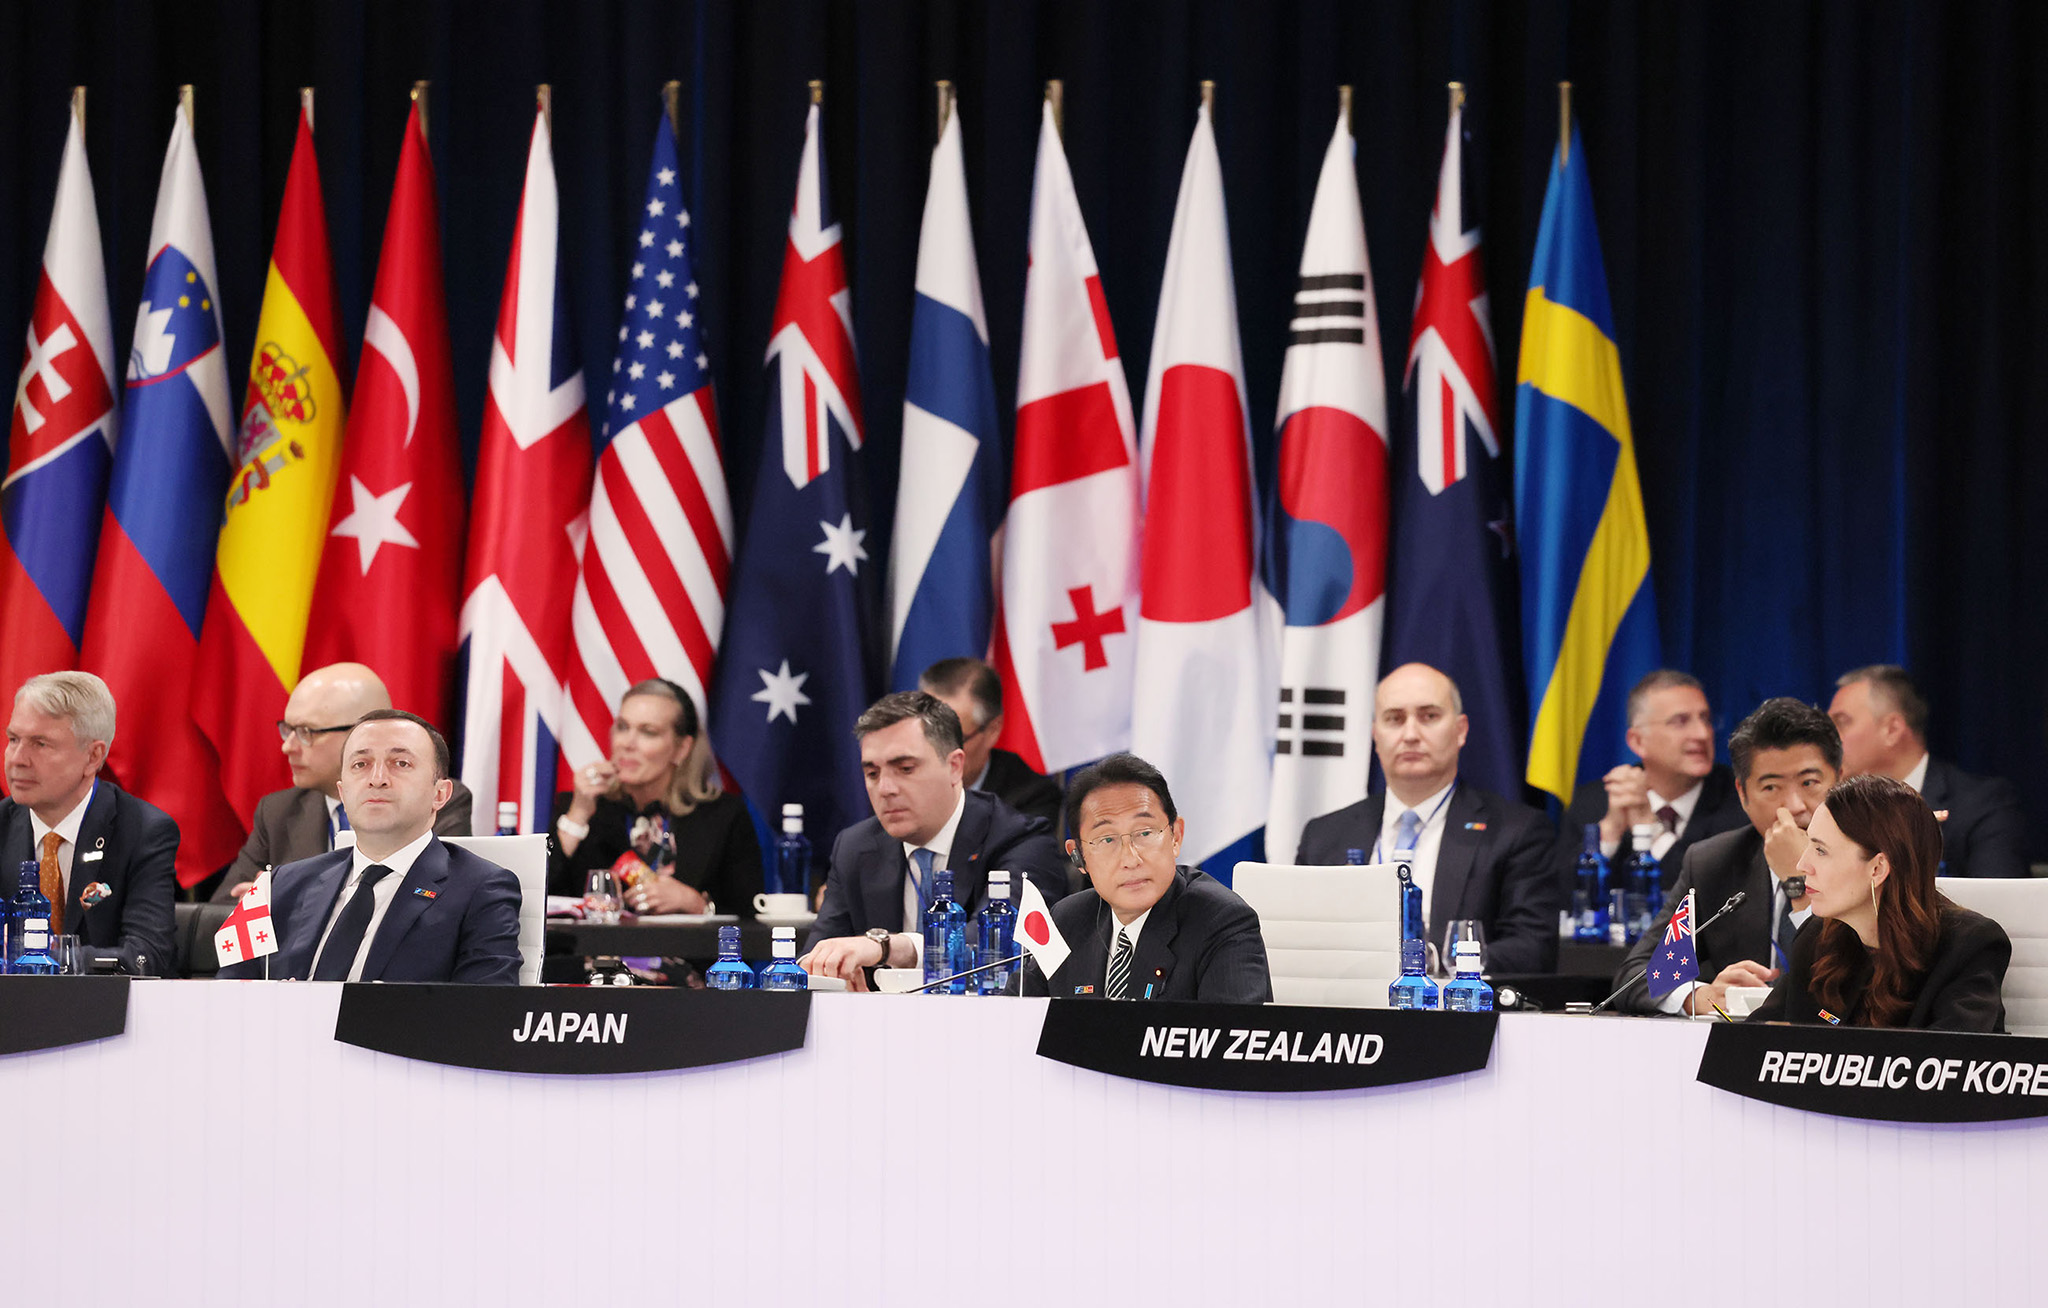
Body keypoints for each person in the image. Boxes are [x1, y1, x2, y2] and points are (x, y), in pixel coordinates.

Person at [219, 710, 521, 984]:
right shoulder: (281, 884)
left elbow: (483, 1016)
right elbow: (226, 1000)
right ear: (343, 791)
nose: (377, 779)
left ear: (439, 794)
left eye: (400, 763)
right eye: (360, 765)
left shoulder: (482, 889)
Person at [1295, 663, 1559, 973]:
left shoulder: (1516, 831)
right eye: (1394, 719)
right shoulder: (1325, 835)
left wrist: (1431, 961)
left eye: (1428, 717)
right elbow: (1299, 941)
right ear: (1375, 735)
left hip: (1454, 1015)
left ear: (1460, 730)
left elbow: (1532, 948)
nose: (1410, 734)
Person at [801, 691, 1066, 988]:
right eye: (872, 773)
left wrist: (888, 947)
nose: (885, 788)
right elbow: (817, 959)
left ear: (954, 767)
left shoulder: (1020, 839)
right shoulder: (855, 847)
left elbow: (999, 948)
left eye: (905, 769)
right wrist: (831, 972)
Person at [1611, 697, 1839, 1016]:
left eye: (1809, 783)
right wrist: (1701, 996)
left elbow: (1861, 980)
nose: (1795, 806)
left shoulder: (1876, 860)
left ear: (1841, 780)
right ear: (1743, 795)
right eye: (1771, 787)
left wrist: (1798, 880)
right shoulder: (1714, 862)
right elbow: (1635, 975)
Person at [1749, 773, 2009, 1030]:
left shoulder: (1968, 946)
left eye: (1820, 850)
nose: (1802, 864)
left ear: (1878, 869)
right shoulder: (1817, 937)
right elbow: (1757, 1037)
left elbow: (1949, 1063)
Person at [213, 662, 473, 903]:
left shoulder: (429, 799)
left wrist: (286, 896)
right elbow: (223, 909)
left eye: (306, 732)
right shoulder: (278, 811)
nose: (287, 747)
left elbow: (433, 900)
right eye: (287, 730)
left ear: (362, 732)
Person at [1023, 753, 1271, 1004]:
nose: (1130, 859)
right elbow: (1013, 1020)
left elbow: (1227, 1039)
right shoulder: (1067, 921)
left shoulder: (1222, 922)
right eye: (1107, 839)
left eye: (1144, 833)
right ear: (1078, 856)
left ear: (1175, 836)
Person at [0, 672, 176, 975]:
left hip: (104, 1017)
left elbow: (146, 955)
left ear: (93, 756)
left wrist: (46, 958)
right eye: (13, 739)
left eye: (40, 744)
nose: (17, 759)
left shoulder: (143, 831)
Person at [548, 679, 761, 916]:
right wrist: (578, 815)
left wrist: (696, 904)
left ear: (682, 749)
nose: (627, 743)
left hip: (687, 952)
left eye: (648, 732)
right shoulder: (584, 807)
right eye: (622, 727)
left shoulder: (723, 815)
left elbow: (751, 917)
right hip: (598, 952)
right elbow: (540, 902)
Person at [1555, 670, 1748, 903]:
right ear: (1637, 741)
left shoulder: (1741, 800)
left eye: (1706, 719)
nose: (1702, 733)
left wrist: (1650, 828)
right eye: (1680, 722)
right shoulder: (1594, 803)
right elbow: (1561, 900)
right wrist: (1609, 833)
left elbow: (1711, 898)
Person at [1828, 664, 2027, 879]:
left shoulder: (1981, 806)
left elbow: (1996, 902)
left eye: (1841, 723)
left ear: (1892, 729)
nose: (1829, 739)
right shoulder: (1832, 807)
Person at [918, 657, 1064, 830]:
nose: (935, 751)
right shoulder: (890, 783)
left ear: (992, 730)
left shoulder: (1031, 799)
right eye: (927, 734)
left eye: (953, 739)